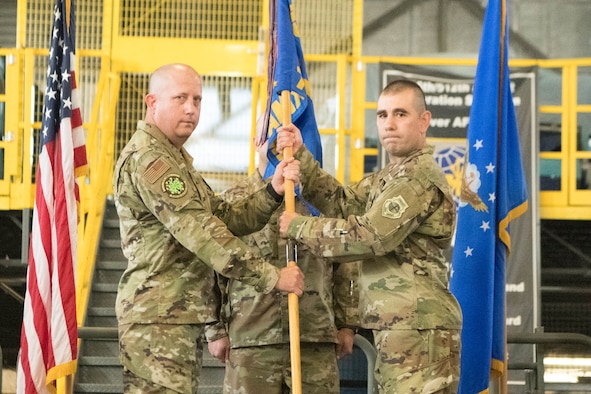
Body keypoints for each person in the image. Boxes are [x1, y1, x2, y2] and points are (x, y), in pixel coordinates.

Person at [112, 63, 305, 394]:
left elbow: (226, 217)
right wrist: (272, 277)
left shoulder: (173, 157)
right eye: (180, 98)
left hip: (174, 317)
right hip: (157, 319)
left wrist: (272, 190)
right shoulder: (150, 160)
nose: (191, 109)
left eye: (198, 100)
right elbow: (202, 234)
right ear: (152, 102)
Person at [278, 79, 462, 393]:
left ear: (424, 120)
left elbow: (370, 237)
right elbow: (343, 204)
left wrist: (299, 227)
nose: (389, 124)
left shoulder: (417, 176)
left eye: (400, 114)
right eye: (382, 115)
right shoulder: (389, 176)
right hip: (400, 324)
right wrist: (302, 159)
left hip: (418, 327)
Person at [206, 128, 361, 394]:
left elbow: (346, 264)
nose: (281, 143)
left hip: (313, 338)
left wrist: (347, 323)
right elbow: (213, 265)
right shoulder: (233, 202)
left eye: (288, 133)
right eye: (272, 134)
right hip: (252, 338)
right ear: (257, 141)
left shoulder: (322, 198)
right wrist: (214, 329)